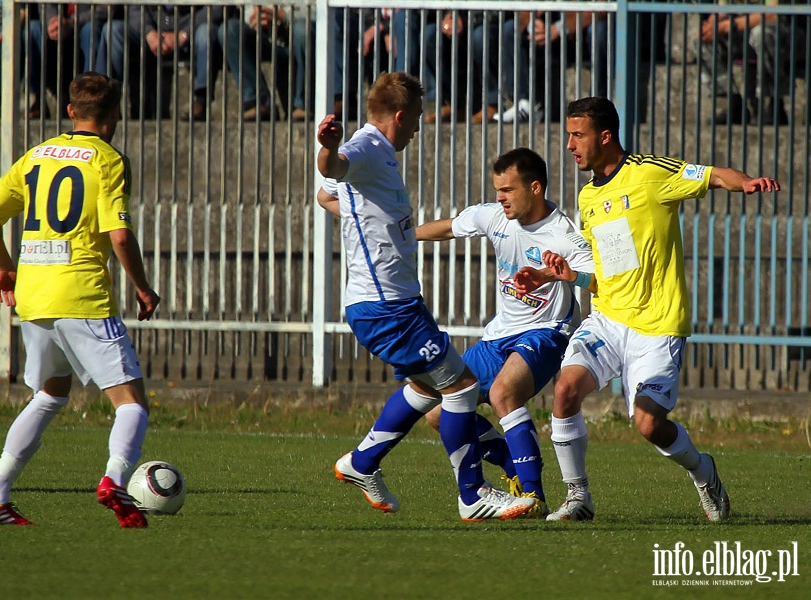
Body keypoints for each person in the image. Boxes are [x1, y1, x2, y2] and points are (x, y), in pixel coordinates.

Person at [514, 96, 780, 522]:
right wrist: (564, 276)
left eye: (577, 135)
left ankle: (703, 471)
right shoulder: (587, 197)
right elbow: (606, 273)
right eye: (568, 135)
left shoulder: (651, 174)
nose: (569, 145)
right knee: (564, 393)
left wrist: (744, 182)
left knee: (648, 424)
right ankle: (578, 497)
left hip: (657, 325)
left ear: (605, 136)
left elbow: (712, 175)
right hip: (607, 318)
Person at [317, 71, 535, 521]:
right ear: (399, 116)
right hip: (385, 307)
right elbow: (332, 169)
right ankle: (472, 496)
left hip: (399, 302)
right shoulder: (368, 148)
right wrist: (328, 148)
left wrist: (364, 216)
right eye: (416, 118)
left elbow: (326, 195)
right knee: (461, 387)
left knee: (423, 387)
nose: (419, 127)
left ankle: (361, 463)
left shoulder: (378, 154)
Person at [0, 72, 160, 528]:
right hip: (81, 294)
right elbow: (119, 235)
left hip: (34, 296)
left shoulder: (36, 155)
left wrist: (5, 267)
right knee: (132, 402)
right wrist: (141, 286)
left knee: (49, 395)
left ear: (71, 111)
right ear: (116, 113)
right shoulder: (110, 160)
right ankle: (114, 481)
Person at [413, 148, 596, 518]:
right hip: (499, 335)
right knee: (437, 409)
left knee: (503, 393)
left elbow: (600, 281)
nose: (500, 198)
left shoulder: (563, 235)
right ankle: (511, 463)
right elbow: (448, 227)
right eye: (497, 189)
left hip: (546, 332)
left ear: (535, 187)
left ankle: (533, 494)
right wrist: (401, 238)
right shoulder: (495, 217)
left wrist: (569, 276)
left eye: (508, 190)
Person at [494, 10, 608, 124]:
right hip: (548, 34)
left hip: (580, 36)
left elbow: (602, 9)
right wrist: (532, 23)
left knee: (599, 30)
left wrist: (558, 29)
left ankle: (597, 107)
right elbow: (523, 8)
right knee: (510, 28)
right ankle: (525, 104)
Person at [694, 3, 790, 125]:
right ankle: (735, 104)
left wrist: (727, 26)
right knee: (702, 40)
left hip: (789, 33)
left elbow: (772, 14)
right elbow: (721, 11)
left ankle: (774, 105)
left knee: (762, 33)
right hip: (745, 31)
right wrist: (711, 26)